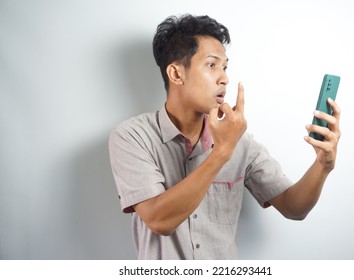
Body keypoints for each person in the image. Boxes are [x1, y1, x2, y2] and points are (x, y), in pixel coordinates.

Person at [108, 14, 341, 260]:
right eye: (212, 65)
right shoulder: (131, 137)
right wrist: (222, 152)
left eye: (225, 67)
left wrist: (322, 166)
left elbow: (294, 208)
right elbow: (159, 220)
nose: (224, 78)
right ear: (176, 74)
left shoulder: (240, 142)